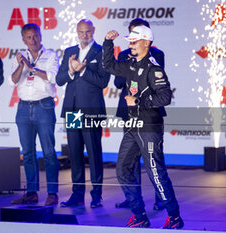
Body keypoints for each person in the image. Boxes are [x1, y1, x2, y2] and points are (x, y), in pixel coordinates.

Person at [102, 26, 184, 229]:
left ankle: (174, 217)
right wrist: (107, 42)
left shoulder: (154, 68)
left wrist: (138, 100)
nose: (130, 45)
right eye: (129, 41)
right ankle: (139, 214)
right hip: (133, 125)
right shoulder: (130, 64)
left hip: (149, 126)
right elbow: (109, 66)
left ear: (146, 43)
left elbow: (165, 96)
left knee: (155, 172)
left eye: (134, 41)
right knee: (122, 169)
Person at [56, 19, 110, 208]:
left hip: (91, 110)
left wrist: (84, 70)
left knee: (94, 153)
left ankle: (96, 195)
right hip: (72, 110)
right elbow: (59, 79)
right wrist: (71, 71)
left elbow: (103, 81)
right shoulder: (70, 51)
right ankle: (77, 195)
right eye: (81, 32)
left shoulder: (102, 52)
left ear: (93, 30)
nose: (84, 35)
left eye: (87, 32)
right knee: (75, 154)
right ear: (76, 32)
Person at [114, 18, 165, 211]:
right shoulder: (124, 55)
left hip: (150, 113)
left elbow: (157, 84)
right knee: (130, 159)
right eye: (132, 33)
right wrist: (129, 66)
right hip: (129, 112)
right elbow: (118, 83)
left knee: (154, 157)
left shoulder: (157, 55)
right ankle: (132, 197)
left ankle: (161, 197)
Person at [10, 23, 60, 206]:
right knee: (28, 153)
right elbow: (12, 81)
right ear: (24, 39)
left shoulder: (51, 55)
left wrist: (31, 68)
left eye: (36, 36)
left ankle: (53, 193)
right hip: (23, 108)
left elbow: (53, 77)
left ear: (41, 36)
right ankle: (31, 192)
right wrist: (22, 65)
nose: (33, 40)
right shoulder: (19, 57)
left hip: (44, 106)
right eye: (29, 37)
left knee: (48, 152)